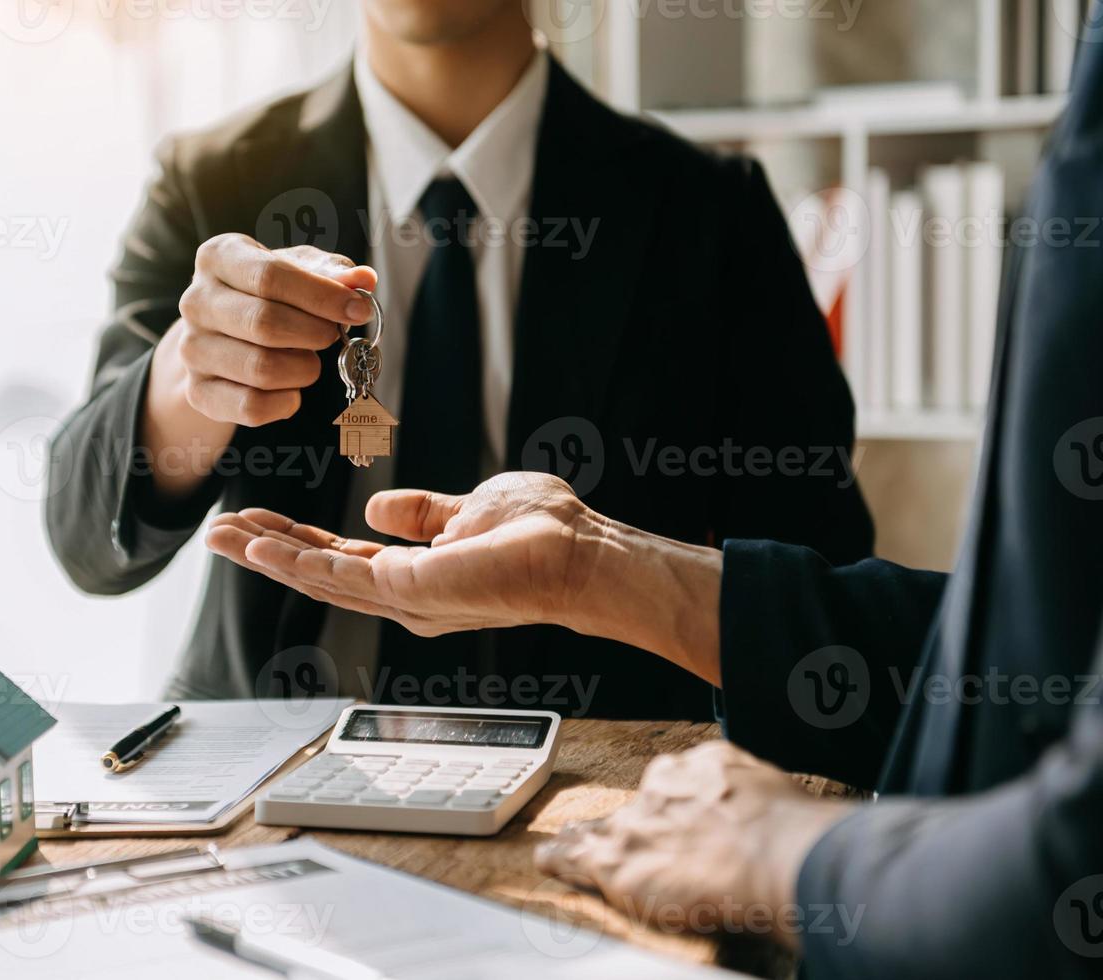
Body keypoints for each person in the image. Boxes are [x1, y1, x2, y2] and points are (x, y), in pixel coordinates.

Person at [204, 30, 1103, 980]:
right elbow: (1023, 656)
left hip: (603, 830)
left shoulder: (706, 203)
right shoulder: (220, 172)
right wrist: (594, 563)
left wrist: (799, 856)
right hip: (276, 818)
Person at [45, 0, 873, 719]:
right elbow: (83, 537)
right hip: (267, 793)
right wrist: (189, 380)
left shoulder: (708, 214)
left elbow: (814, 580)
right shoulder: (212, 181)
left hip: (596, 790)